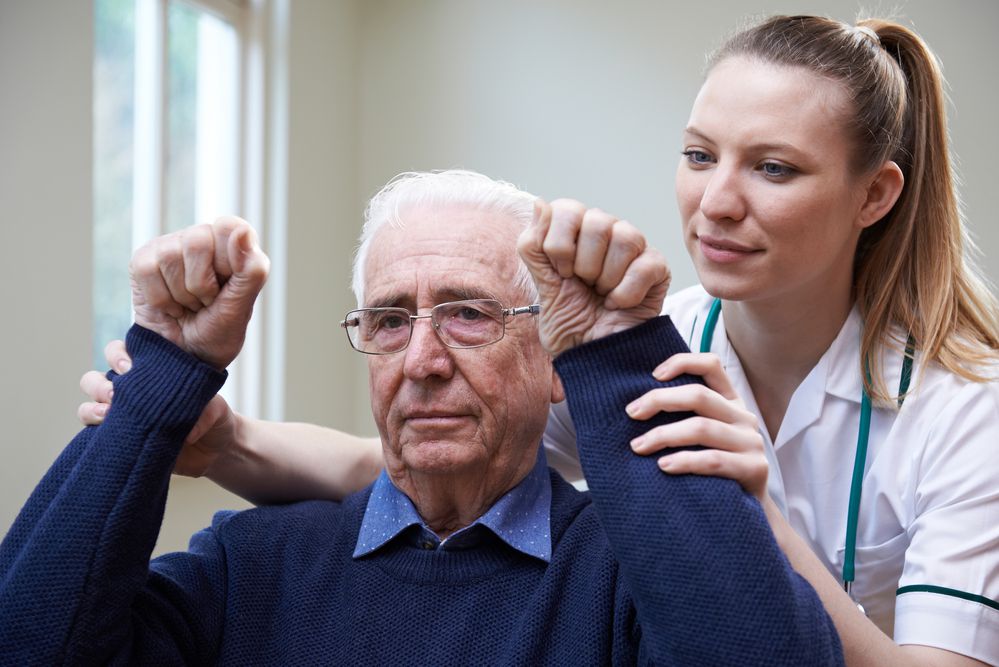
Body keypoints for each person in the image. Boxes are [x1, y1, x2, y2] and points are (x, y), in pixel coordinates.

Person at [78, 14, 999, 666]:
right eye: (696, 154)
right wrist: (216, 439)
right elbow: (408, 456)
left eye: (773, 167)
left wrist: (742, 507)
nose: (716, 201)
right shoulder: (644, 344)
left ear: (875, 195)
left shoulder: (967, 408)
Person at [0, 171, 842, 665]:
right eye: (391, 320)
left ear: (554, 361)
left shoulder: (631, 575)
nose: (423, 360)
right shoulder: (249, 563)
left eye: (471, 314)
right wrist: (166, 369)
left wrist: (617, 356)